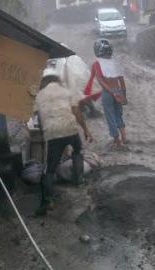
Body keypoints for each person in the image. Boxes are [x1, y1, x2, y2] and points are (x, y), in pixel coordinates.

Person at [34, 68, 93, 216]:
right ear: (56, 78)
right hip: (70, 129)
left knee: (50, 169)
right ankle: (78, 179)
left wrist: (43, 135)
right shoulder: (66, 91)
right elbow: (77, 112)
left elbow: (40, 119)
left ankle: (48, 200)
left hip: (53, 134)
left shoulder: (39, 95)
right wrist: (85, 130)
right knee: (78, 150)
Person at [84, 39, 128, 147]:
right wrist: (123, 96)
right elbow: (122, 81)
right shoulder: (115, 63)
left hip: (108, 93)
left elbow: (100, 81)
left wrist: (112, 93)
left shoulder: (97, 64)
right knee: (118, 114)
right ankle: (124, 137)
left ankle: (117, 142)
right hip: (118, 91)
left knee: (110, 117)